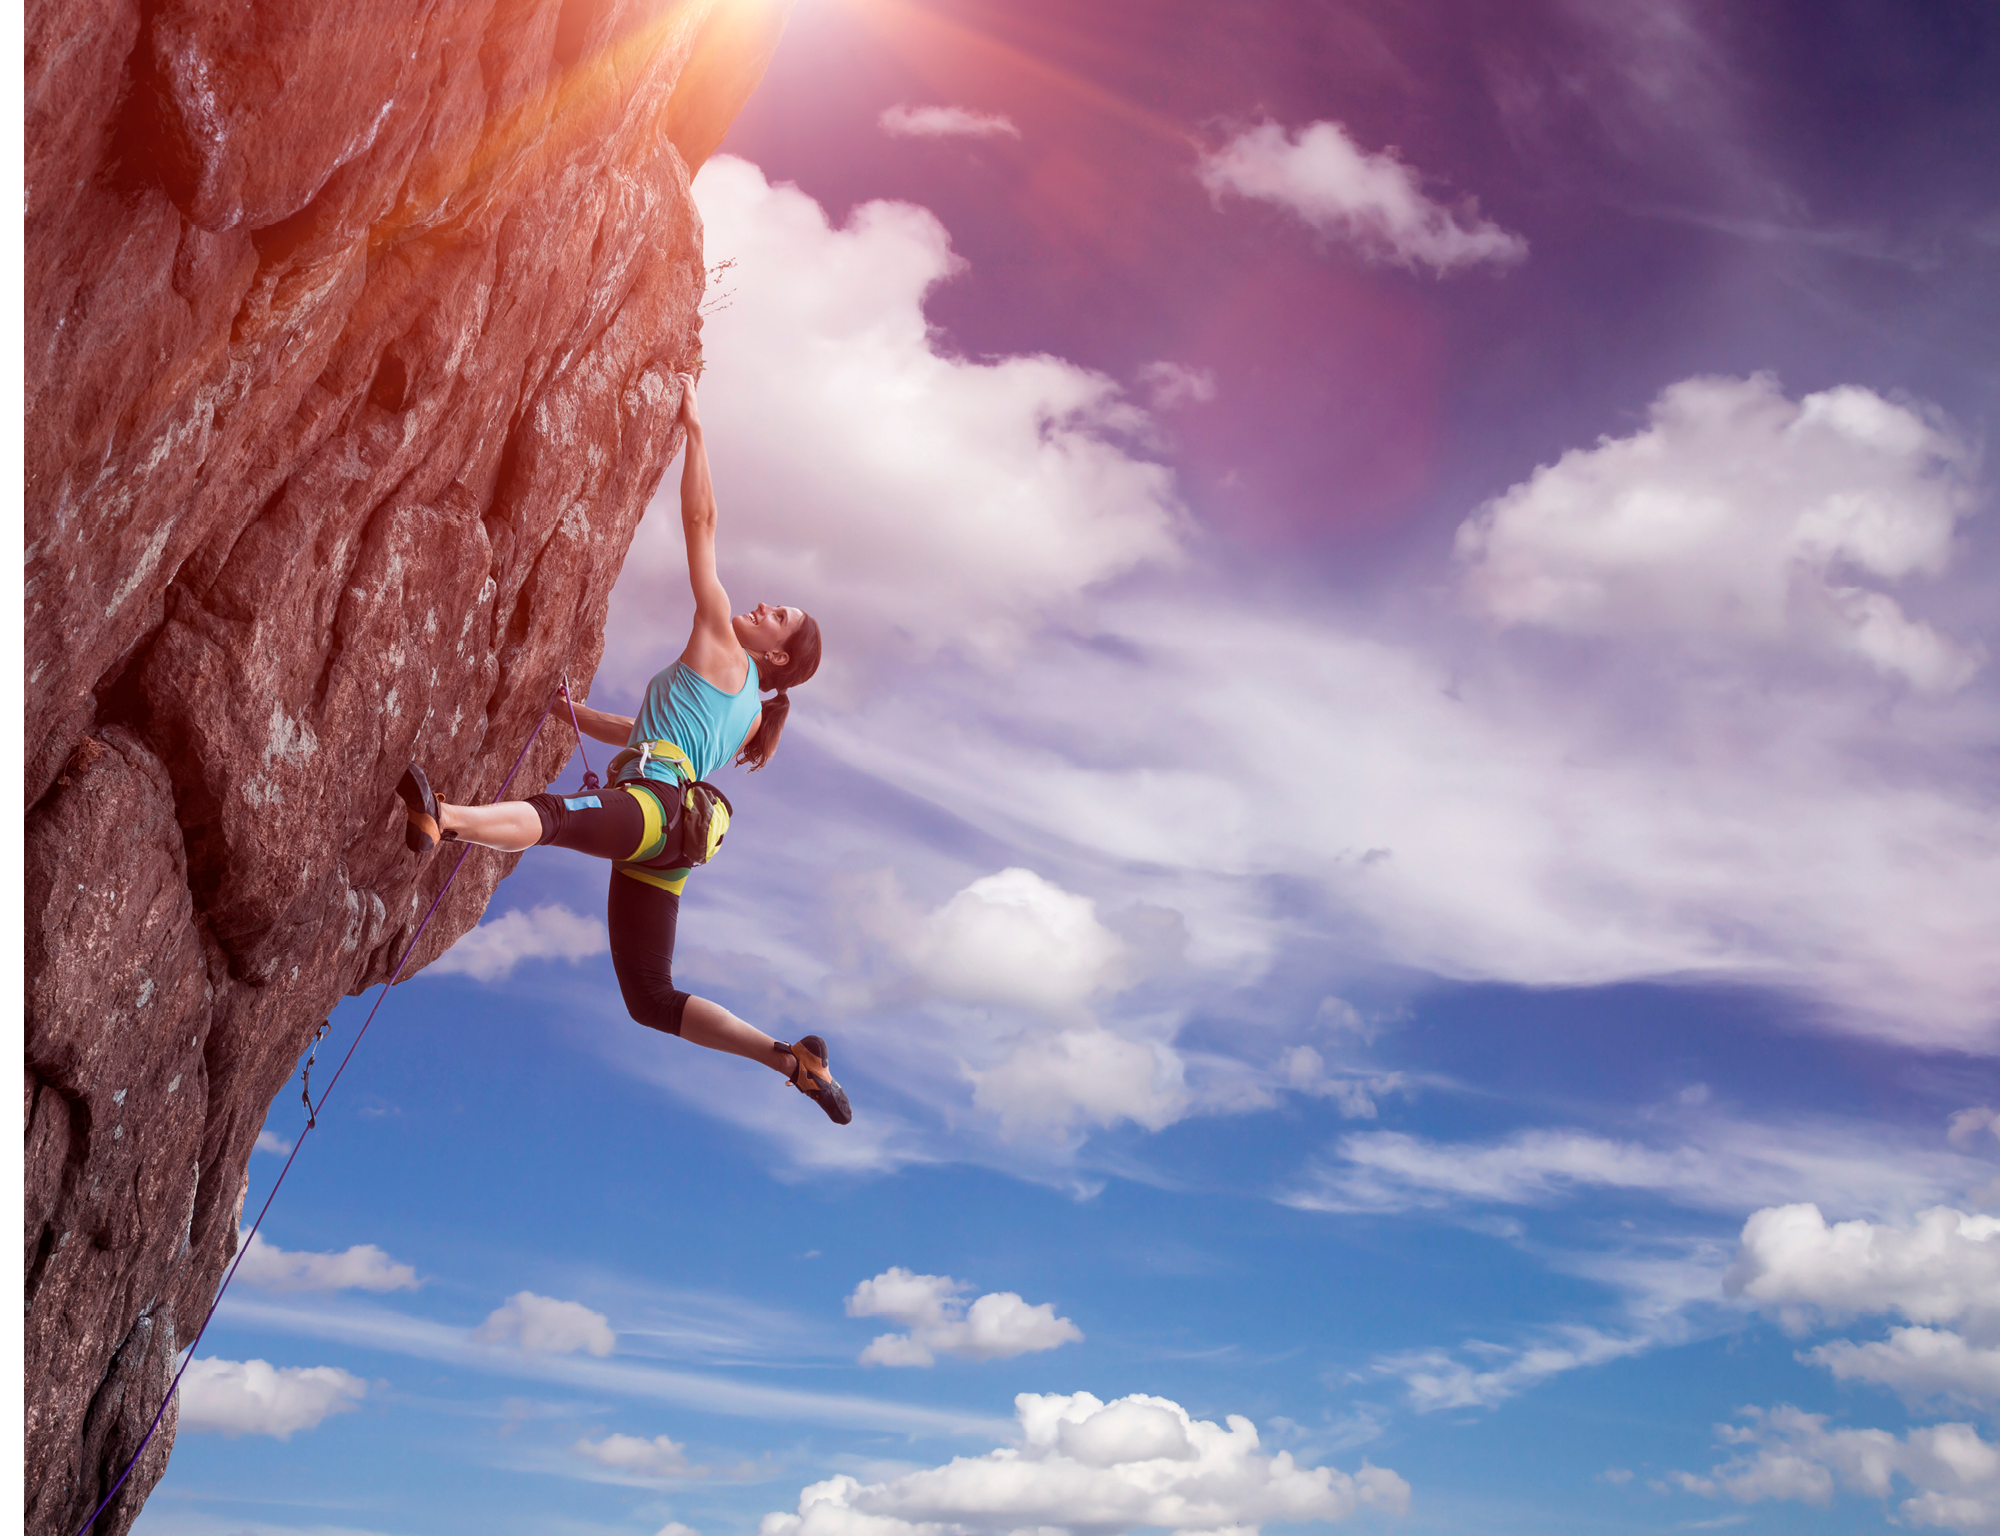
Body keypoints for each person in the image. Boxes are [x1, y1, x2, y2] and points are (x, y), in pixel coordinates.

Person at [395, 373, 849, 1125]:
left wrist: (695, 430)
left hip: (656, 809)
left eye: (779, 617)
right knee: (650, 998)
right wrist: (571, 712)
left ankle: (444, 820)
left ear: (776, 657)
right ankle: (788, 1060)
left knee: (558, 817)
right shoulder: (740, 711)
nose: (762, 605)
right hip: (672, 830)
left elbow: (700, 523)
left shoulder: (717, 636)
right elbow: (647, 736)